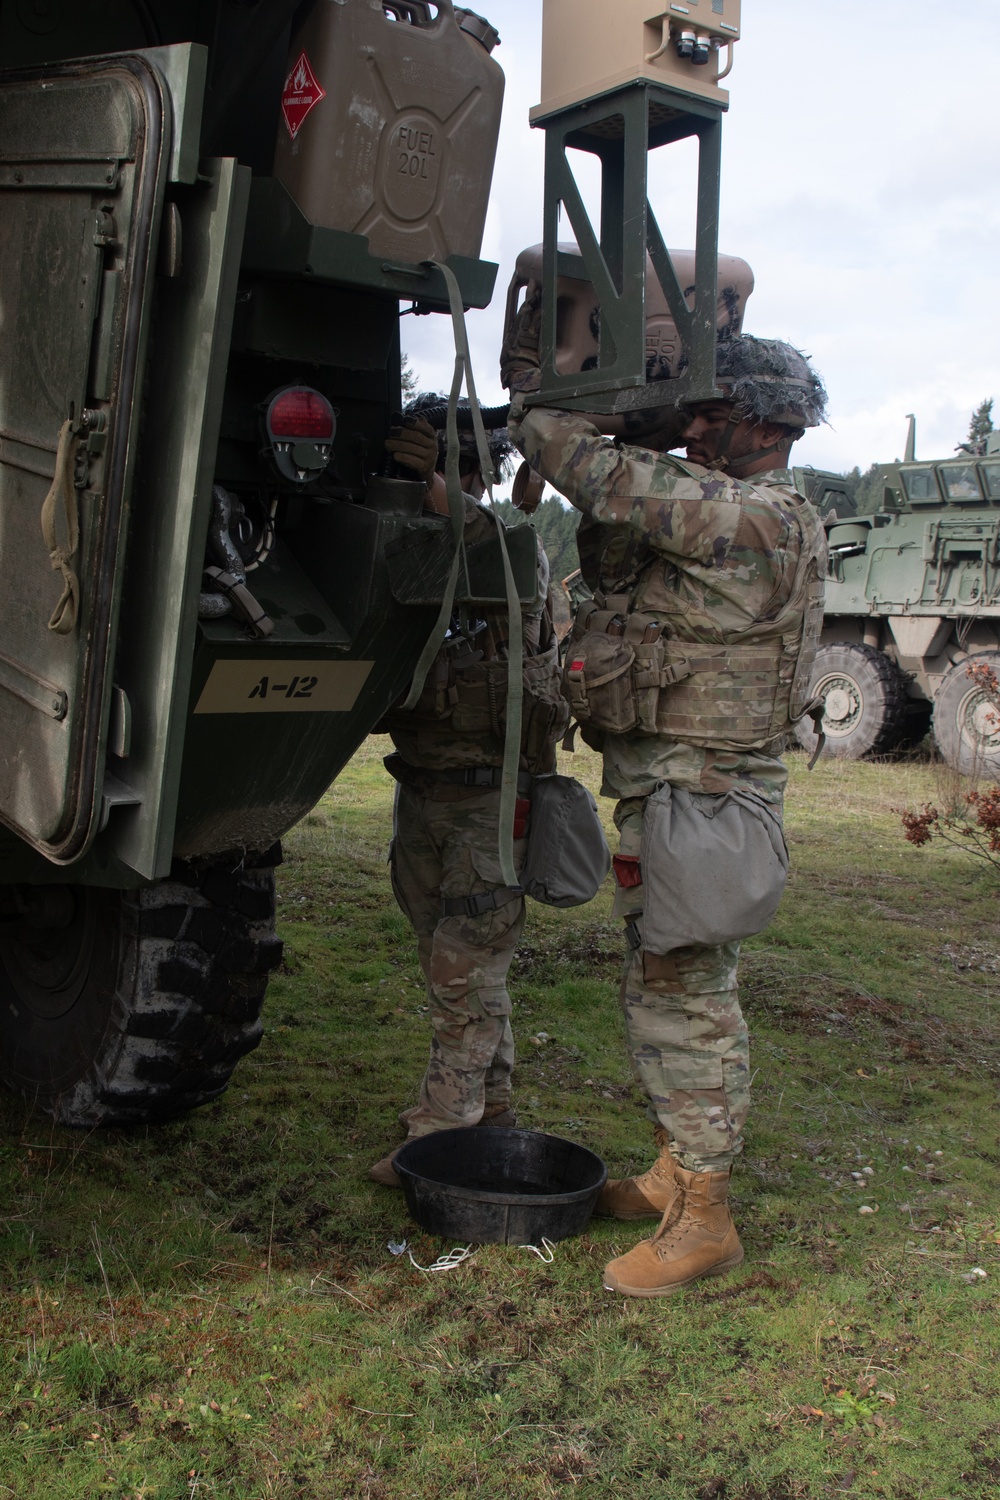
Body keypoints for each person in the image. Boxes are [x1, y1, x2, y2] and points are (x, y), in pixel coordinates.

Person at [501, 306, 828, 1296]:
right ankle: (672, 1170)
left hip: (703, 798)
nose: (692, 433)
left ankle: (706, 1220)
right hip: (681, 789)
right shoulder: (730, 506)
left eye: (708, 415)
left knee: (685, 998)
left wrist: (555, 408)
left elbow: (591, 472)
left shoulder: (752, 517)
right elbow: (612, 542)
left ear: (761, 427)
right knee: (667, 983)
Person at [369, 398, 567, 1186]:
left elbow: (494, 545)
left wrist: (438, 488)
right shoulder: (423, 550)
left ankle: (437, 1138)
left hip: (489, 800)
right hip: (424, 789)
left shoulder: (513, 546)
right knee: (459, 969)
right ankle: (491, 1108)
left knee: (464, 967)